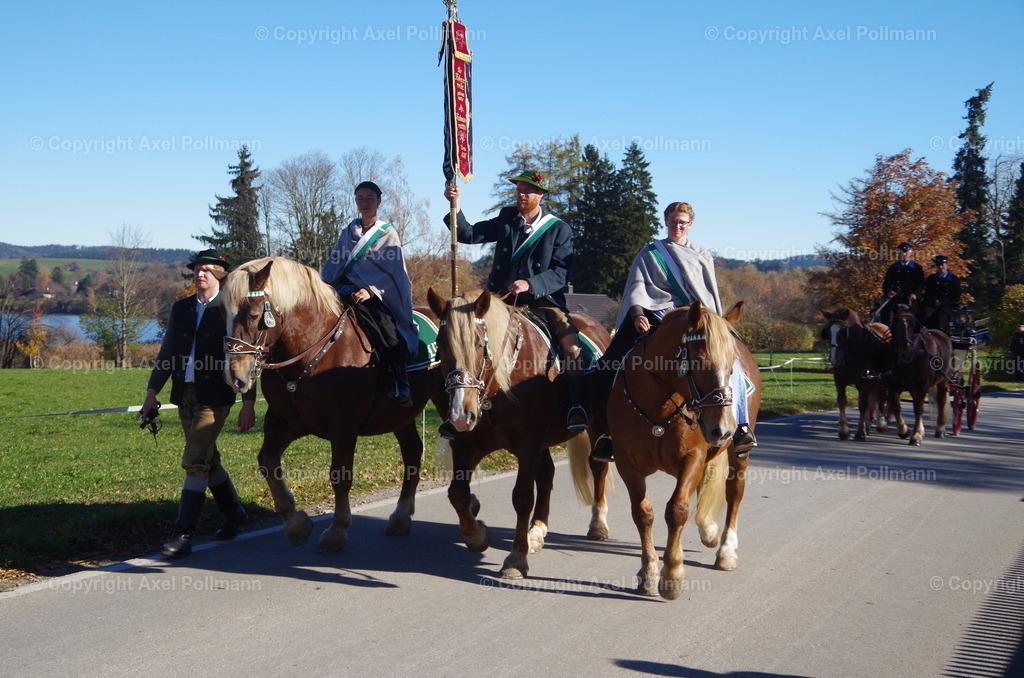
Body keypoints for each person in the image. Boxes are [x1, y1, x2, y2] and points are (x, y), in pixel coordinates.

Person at [590, 202, 755, 462]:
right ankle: (608, 432)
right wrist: (638, 314)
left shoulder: (702, 254)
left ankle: (741, 427)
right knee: (612, 362)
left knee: (730, 364)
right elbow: (636, 287)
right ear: (665, 222)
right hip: (655, 317)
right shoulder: (649, 253)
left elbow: (707, 294)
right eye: (673, 222)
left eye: (682, 223)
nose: (677, 226)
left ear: (690, 224)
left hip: (697, 319)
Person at [443, 171, 588, 431]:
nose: (521, 195)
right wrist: (456, 204)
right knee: (465, 336)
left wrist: (531, 284)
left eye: (527, 191)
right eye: (519, 189)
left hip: (542, 301)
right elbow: (468, 234)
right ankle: (459, 407)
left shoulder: (559, 229)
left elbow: (561, 273)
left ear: (540, 195)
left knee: (570, 344)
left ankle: (577, 405)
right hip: (501, 300)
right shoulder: (506, 217)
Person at [142, 249, 256, 559]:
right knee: (208, 458)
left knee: (194, 460)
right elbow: (167, 353)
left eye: (206, 269)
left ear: (220, 274)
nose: (199, 273)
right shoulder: (181, 308)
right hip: (184, 394)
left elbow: (246, 357)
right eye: (196, 269)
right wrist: (152, 393)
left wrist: (248, 402)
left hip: (216, 396)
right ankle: (234, 513)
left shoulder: (232, 308)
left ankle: (183, 534)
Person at [322, 181, 418, 406]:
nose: (365, 203)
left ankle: (400, 381)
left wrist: (370, 290)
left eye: (369, 198)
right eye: (360, 199)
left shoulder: (388, 233)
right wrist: (323, 283)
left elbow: (393, 272)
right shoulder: (348, 231)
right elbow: (337, 259)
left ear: (379, 201)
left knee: (386, 328)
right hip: (344, 288)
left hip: (373, 294)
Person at [878, 242, 925, 326]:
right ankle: (886, 331)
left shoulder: (917, 268)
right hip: (896, 297)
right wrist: (888, 292)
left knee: (920, 314)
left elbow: (921, 284)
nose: (904, 254)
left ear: (910, 253)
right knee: (886, 312)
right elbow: (886, 284)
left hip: (910, 298)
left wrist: (915, 294)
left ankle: (919, 332)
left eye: (906, 252)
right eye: (902, 252)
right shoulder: (893, 268)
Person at [919, 255, 961, 331]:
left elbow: (955, 297)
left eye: (943, 265)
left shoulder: (954, 279)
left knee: (942, 315)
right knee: (923, 313)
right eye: (939, 265)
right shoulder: (931, 279)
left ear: (947, 265)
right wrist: (934, 301)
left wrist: (941, 302)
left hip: (947, 305)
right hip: (932, 304)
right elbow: (927, 293)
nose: (941, 267)